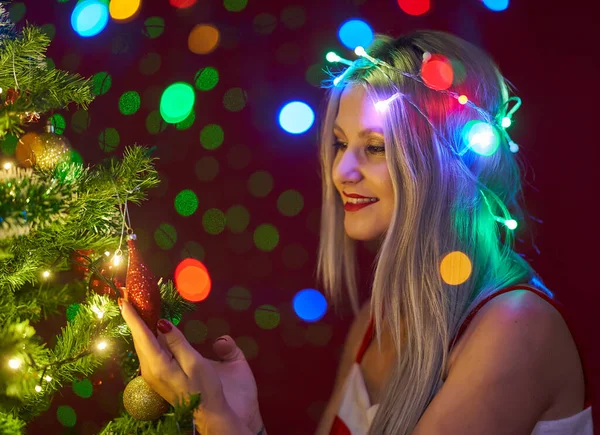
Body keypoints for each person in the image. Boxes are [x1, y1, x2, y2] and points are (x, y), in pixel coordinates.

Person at [120, 30, 593, 434]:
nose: (341, 171)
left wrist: (212, 416)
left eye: (375, 147)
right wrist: (246, 422)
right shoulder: (375, 323)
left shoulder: (514, 329)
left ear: (451, 161)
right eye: (341, 144)